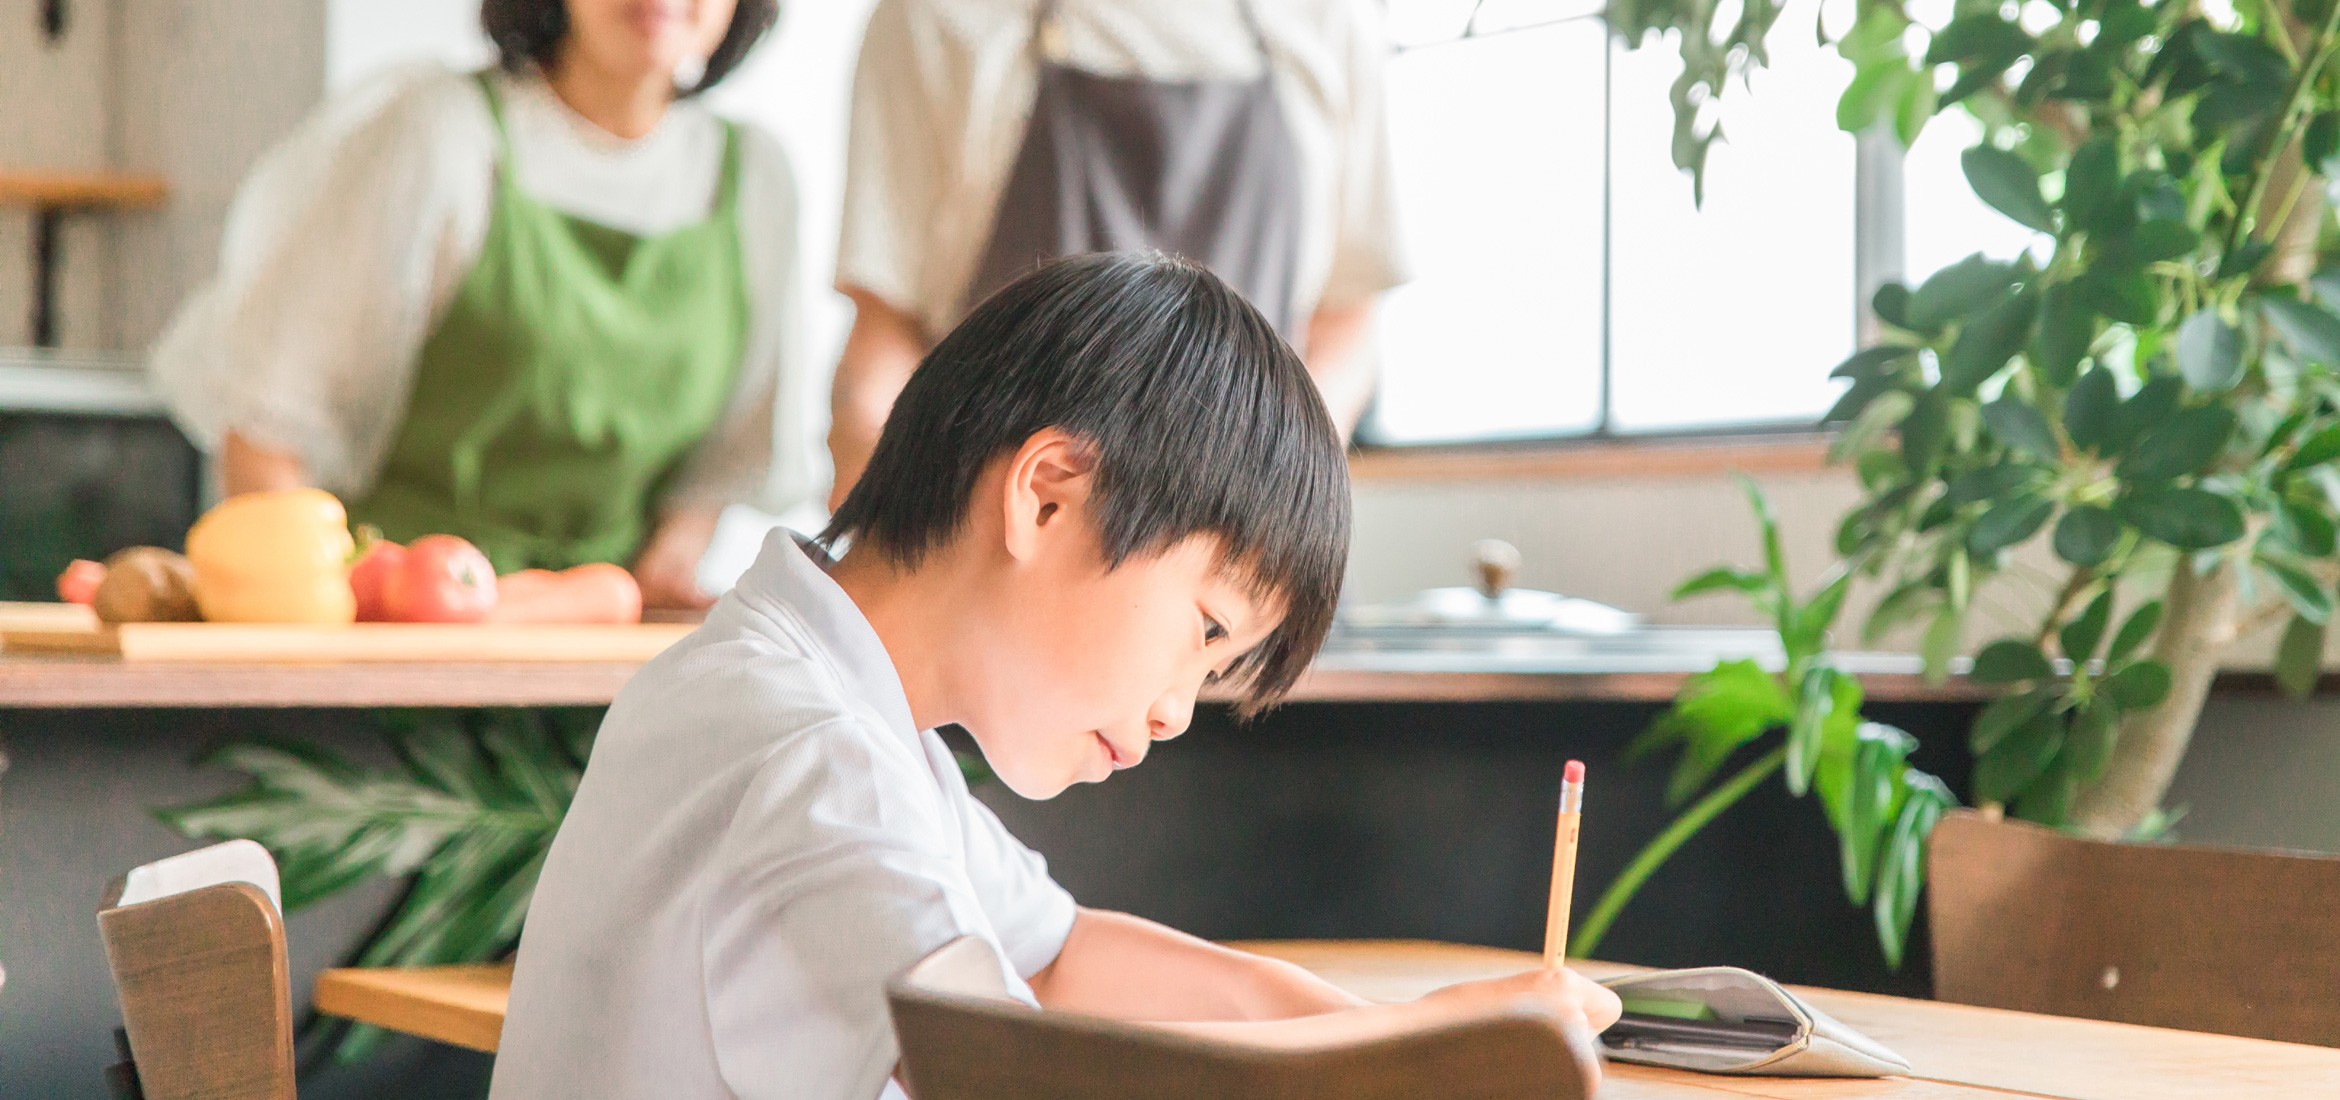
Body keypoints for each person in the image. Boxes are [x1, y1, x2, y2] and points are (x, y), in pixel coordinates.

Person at [488, 254, 1619, 1100]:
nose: (1180, 707)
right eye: (1203, 628)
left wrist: (1418, 1022)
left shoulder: (835, 711)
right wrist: (1417, 1054)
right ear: (1046, 496)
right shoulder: (805, 754)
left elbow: (1066, 954)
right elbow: (1020, 1074)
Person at [149, 0, 802, 610]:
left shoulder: (755, 179)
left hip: (598, 655)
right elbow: (266, 436)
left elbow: (723, 467)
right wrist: (326, 617)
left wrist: (661, 575)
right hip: (396, 635)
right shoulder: (441, 133)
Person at [823, 0, 1411, 508]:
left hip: (1250, 561)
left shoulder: (1330, 18)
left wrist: (1266, 498)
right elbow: (883, 343)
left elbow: (1347, 323)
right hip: (993, 564)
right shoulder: (934, 16)